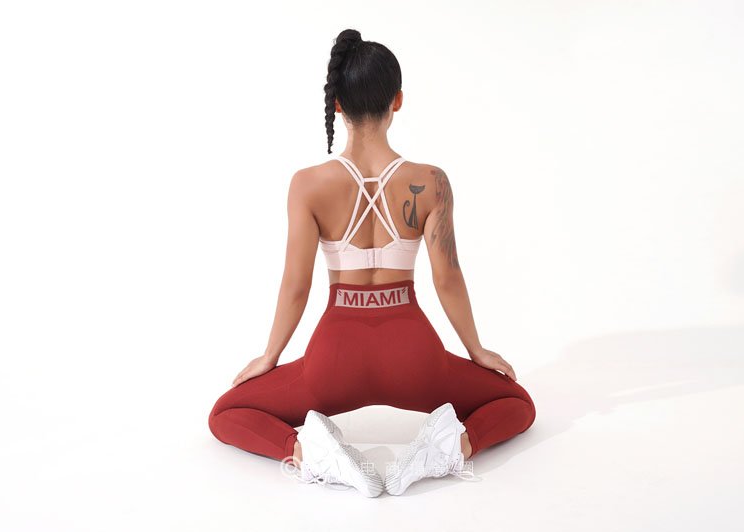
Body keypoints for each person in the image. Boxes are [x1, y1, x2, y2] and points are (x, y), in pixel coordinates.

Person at [207, 28, 536, 497]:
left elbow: (296, 285)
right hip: (415, 358)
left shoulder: (307, 184)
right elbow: (447, 277)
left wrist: (270, 356)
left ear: (338, 104)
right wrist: (476, 349)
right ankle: (452, 447)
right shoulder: (431, 181)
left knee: (225, 412)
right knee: (517, 403)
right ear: (397, 101)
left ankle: (309, 453)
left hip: (332, 360)